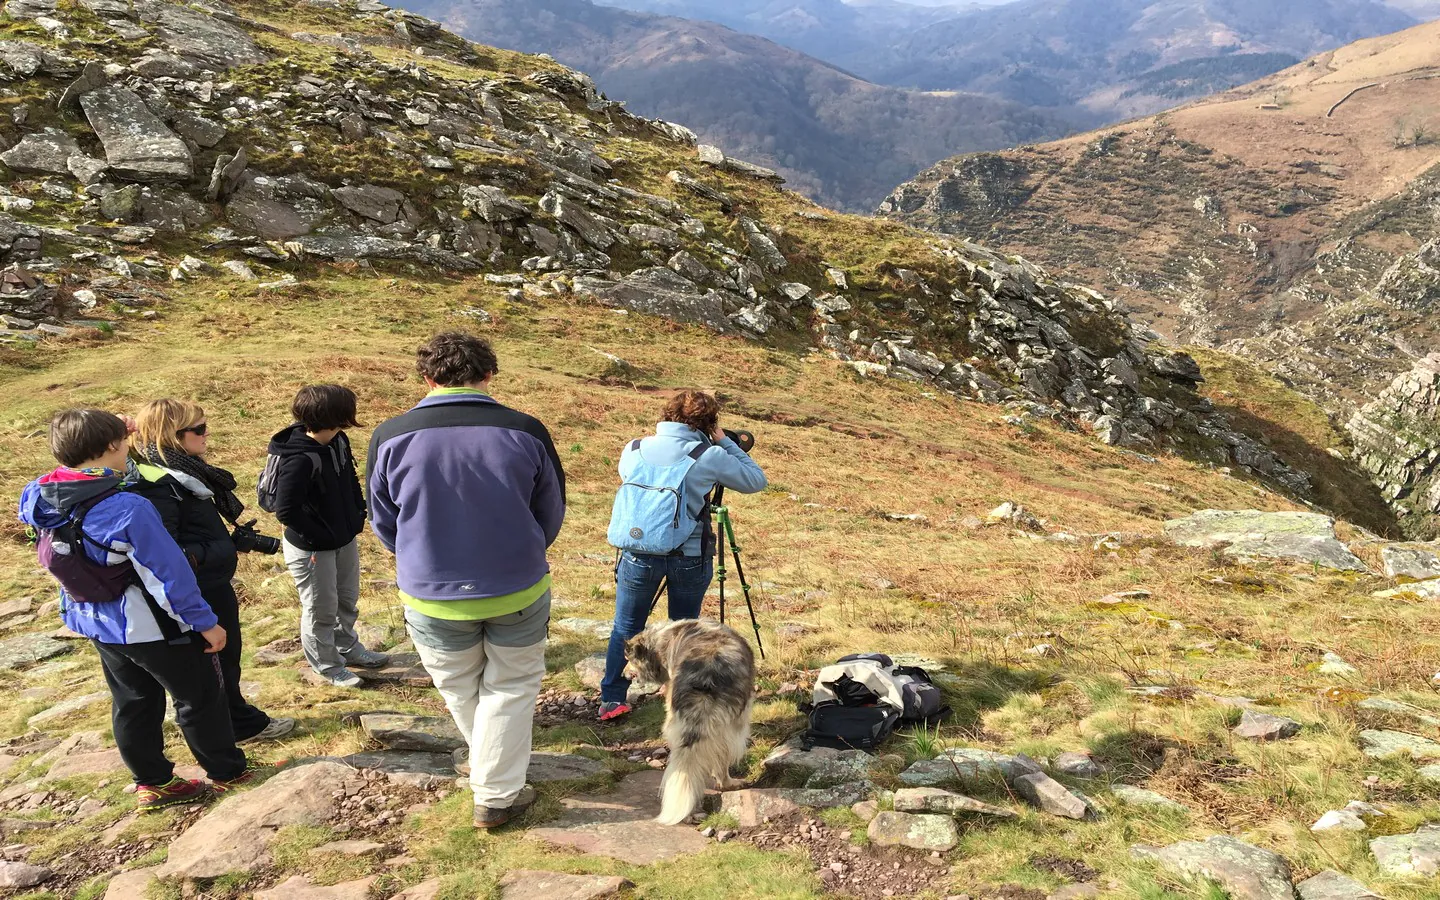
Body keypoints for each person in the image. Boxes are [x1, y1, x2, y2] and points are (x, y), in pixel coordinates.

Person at [368, 332, 565, 829]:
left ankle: (491, 778)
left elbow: (382, 519)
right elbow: (551, 509)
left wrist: (417, 555)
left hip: (430, 591)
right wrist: (525, 548)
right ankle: (497, 791)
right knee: (513, 687)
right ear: (489, 375)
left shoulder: (390, 436)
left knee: (460, 688)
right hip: (517, 584)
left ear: (427, 378)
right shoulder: (526, 429)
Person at [18, 409, 255, 810]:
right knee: (198, 694)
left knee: (132, 698)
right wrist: (204, 623)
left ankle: (153, 781)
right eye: (123, 440)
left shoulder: (38, 493)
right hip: (143, 622)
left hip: (92, 618)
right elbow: (169, 576)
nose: (129, 445)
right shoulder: (127, 507)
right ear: (112, 445)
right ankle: (228, 772)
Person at [598, 390, 766, 722]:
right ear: (709, 422)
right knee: (682, 627)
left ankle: (612, 698)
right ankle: (676, 695)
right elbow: (755, 481)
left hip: (638, 551)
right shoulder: (708, 454)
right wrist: (724, 442)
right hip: (689, 554)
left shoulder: (633, 449)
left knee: (626, 625)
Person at [131, 399, 293, 743]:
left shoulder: (180, 471)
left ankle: (226, 720)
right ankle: (236, 726)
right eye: (199, 429)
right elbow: (165, 551)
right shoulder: (160, 484)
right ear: (173, 435)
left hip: (208, 580)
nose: (207, 435)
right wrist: (221, 548)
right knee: (217, 659)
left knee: (222, 657)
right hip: (197, 588)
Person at [268, 385, 386, 688]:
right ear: (336, 416)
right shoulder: (300, 459)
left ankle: (348, 648)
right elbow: (286, 511)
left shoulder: (338, 440)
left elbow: (349, 479)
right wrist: (321, 536)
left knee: (347, 599)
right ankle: (327, 666)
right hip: (312, 549)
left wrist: (358, 514)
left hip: (343, 538)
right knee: (320, 609)